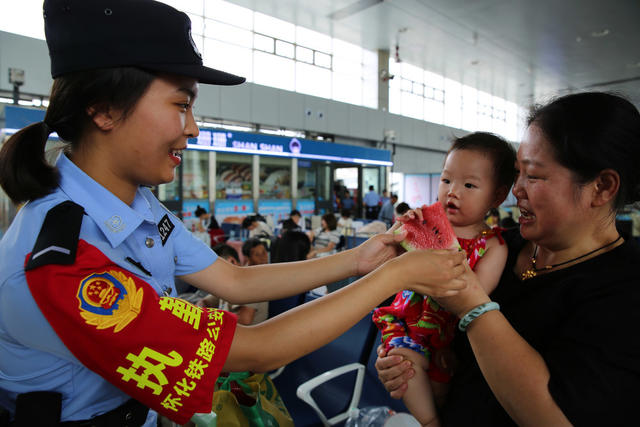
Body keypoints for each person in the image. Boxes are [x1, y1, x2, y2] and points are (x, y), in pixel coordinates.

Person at [0, 1, 468, 425]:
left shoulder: (137, 205)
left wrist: (358, 261)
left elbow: (233, 280)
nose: (193, 128)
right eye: (181, 105)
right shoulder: (62, 262)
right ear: (103, 110)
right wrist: (397, 276)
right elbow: (256, 351)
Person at [375, 92, 640, 426]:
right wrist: (405, 361)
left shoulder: (626, 290)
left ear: (602, 186)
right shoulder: (497, 245)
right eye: (517, 173)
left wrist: (469, 301)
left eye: (534, 176)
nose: (516, 190)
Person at [372, 132, 516, 426]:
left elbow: (473, 295)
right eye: (446, 180)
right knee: (401, 362)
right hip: (406, 322)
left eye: (469, 185)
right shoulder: (424, 223)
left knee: (439, 387)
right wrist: (403, 234)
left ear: (497, 196)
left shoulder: (493, 246)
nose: (452, 191)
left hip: (445, 337)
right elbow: (392, 261)